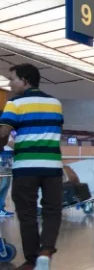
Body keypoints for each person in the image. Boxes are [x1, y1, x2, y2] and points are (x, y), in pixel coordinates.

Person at [0, 64, 64, 270]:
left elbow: (3, 133)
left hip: (26, 167)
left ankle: (31, 260)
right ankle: (45, 252)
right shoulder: (55, 103)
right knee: (52, 211)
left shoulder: (15, 104)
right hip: (52, 167)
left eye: (13, 79)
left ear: (25, 80)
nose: (10, 84)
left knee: (26, 213)